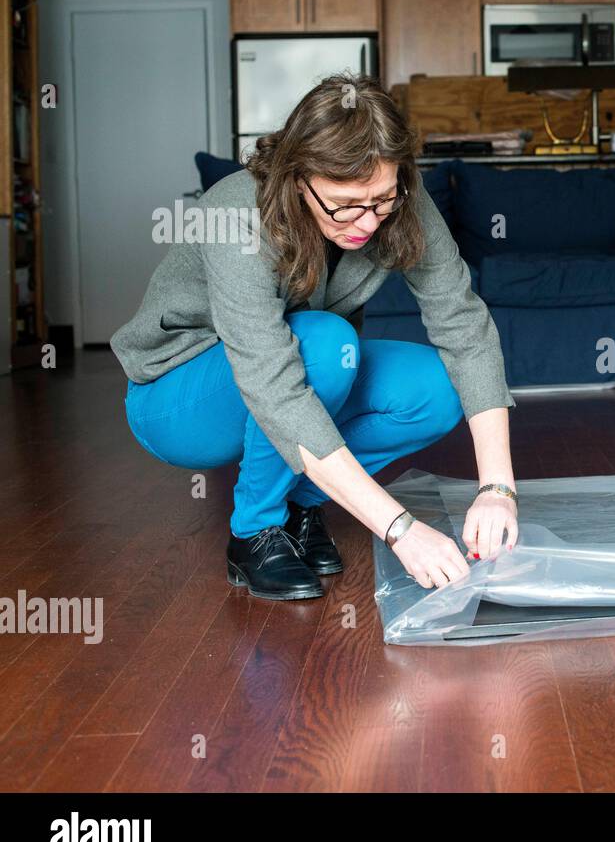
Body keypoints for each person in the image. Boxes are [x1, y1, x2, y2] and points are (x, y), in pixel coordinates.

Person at [110, 74, 518, 601]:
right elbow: (272, 379)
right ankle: (255, 532)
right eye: (344, 203)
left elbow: (463, 325)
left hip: (296, 366)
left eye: (382, 200)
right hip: (176, 400)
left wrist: (498, 489)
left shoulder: (397, 201)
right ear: (298, 178)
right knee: (325, 344)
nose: (366, 222)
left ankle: (302, 503)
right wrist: (400, 528)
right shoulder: (237, 212)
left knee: (439, 389)